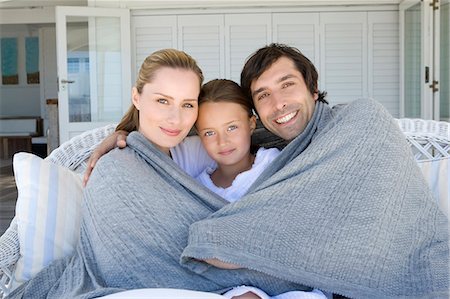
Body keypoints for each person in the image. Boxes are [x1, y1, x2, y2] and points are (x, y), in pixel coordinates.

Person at [84, 43, 449, 299]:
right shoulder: (229, 145)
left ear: (312, 87)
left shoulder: (357, 122)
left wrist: (233, 243)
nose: (279, 104)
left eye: (287, 85)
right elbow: (214, 131)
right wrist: (124, 134)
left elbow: (378, 202)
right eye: (263, 94)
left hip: (383, 262)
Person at [8, 48, 321, 299]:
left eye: (187, 104)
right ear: (136, 98)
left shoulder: (198, 152)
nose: (175, 118)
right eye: (162, 101)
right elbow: (122, 254)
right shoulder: (116, 164)